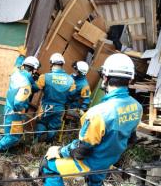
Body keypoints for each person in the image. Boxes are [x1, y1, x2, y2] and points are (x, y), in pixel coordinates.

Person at [41, 53, 143, 186]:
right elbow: (131, 139)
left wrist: (60, 151)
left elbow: (81, 150)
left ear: (105, 78)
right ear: (130, 80)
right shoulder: (138, 107)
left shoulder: (98, 113)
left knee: (48, 165)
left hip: (92, 162)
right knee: (95, 181)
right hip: (108, 161)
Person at [0, 54, 40, 151]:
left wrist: (21, 57)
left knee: (8, 133)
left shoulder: (16, 73)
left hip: (7, 108)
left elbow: (17, 64)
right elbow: (18, 103)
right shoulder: (26, 85)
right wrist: (25, 105)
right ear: (34, 70)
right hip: (15, 113)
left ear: (24, 65)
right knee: (13, 137)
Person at [33, 53, 76, 143]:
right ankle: (47, 145)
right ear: (62, 64)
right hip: (60, 109)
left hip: (46, 107)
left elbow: (35, 88)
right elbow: (73, 94)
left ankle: (35, 143)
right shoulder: (70, 80)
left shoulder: (45, 77)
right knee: (54, 127)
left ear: (51, 63)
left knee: (41, 123)